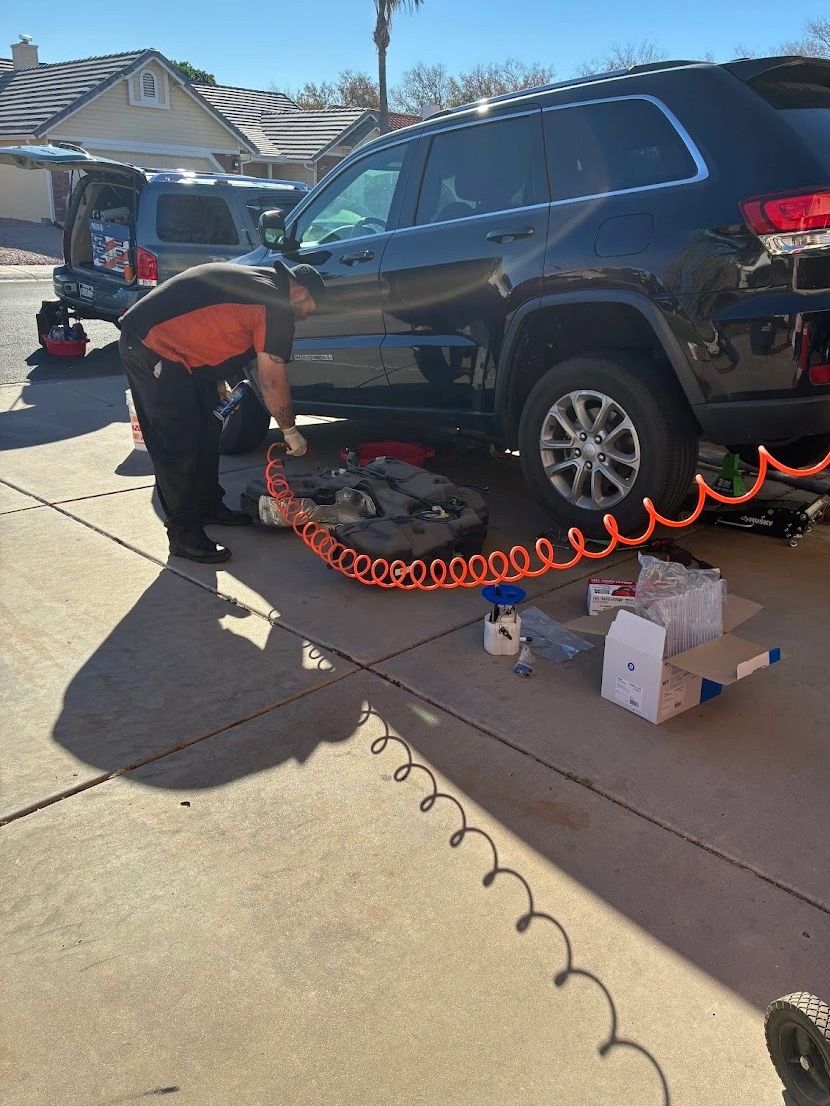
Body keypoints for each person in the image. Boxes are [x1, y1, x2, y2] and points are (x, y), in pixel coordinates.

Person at [119, 259, 324, 564]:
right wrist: (289, 430)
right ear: (300, 293)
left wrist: (216, 377)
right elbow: (271, 378)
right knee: (177, 442)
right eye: (309, 308)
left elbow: (215, 319)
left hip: (186, 356)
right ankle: (184, 535)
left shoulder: (265, 286)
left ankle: (208, 506)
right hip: (151, 345)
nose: (306, 316)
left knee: (207, 431)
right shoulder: (276, 304)